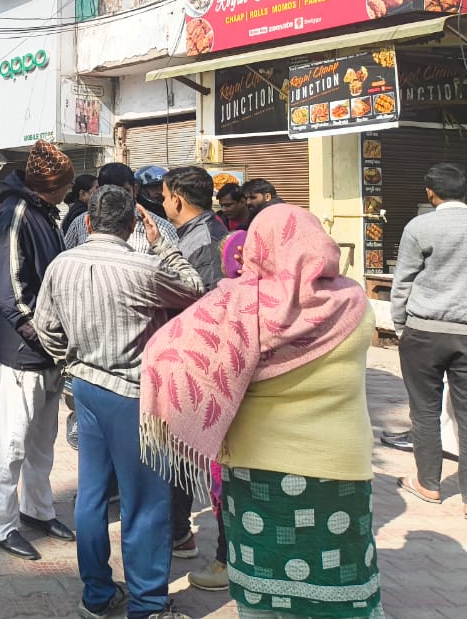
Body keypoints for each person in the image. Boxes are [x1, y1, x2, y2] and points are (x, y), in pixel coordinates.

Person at [140, 204, 381, 619]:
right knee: (341, 580)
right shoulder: (355, 302)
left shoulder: (240, 304)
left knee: (263, 589)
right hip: (341, 466)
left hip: (259, 467)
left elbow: (164, 349)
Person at [36, 185, 205, 619]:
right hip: (133, 394)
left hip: (87, 388)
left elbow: (46, 327)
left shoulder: (61, 265)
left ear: (89, 222)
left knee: (91, 495)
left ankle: (97, 594)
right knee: (146, 500)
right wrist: (161, 244)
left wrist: (68, 360)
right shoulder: (143, 267)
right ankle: (148, 604)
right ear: (132, 225)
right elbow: (194, 287)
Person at [0, 139, 76, 561]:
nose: (69, 193)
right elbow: (9, 291)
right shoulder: (16, 215)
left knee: (43, 439)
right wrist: (39, 334)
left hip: (48, 350)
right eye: (66, 186)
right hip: (22, 350)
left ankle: (36, 509)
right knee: (14, 440)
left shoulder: (44, 214)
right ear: (51, 186)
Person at [159, 166, 230, 589]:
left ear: (179, 200)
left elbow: (202, 305)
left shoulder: (202, 241)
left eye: (165, 196)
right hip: (199, 364)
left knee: (201, 462)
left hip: (201, 366)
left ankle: (222, 554)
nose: (164, 203)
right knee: (183, 458)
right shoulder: (208, 232)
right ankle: (179, 532)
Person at [391, 162, 467, 509]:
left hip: (424, 331)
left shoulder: (420, 226)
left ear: (430, 193)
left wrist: (399, 326)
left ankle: (428, 483)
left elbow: (403, 280)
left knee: (424, 410)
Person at [65, 162, 179, 253]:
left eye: (124, 191)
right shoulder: (79, 224)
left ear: (135, 190)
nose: (118, 198)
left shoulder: (162, 229)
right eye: (109, 191)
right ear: (98, 190)